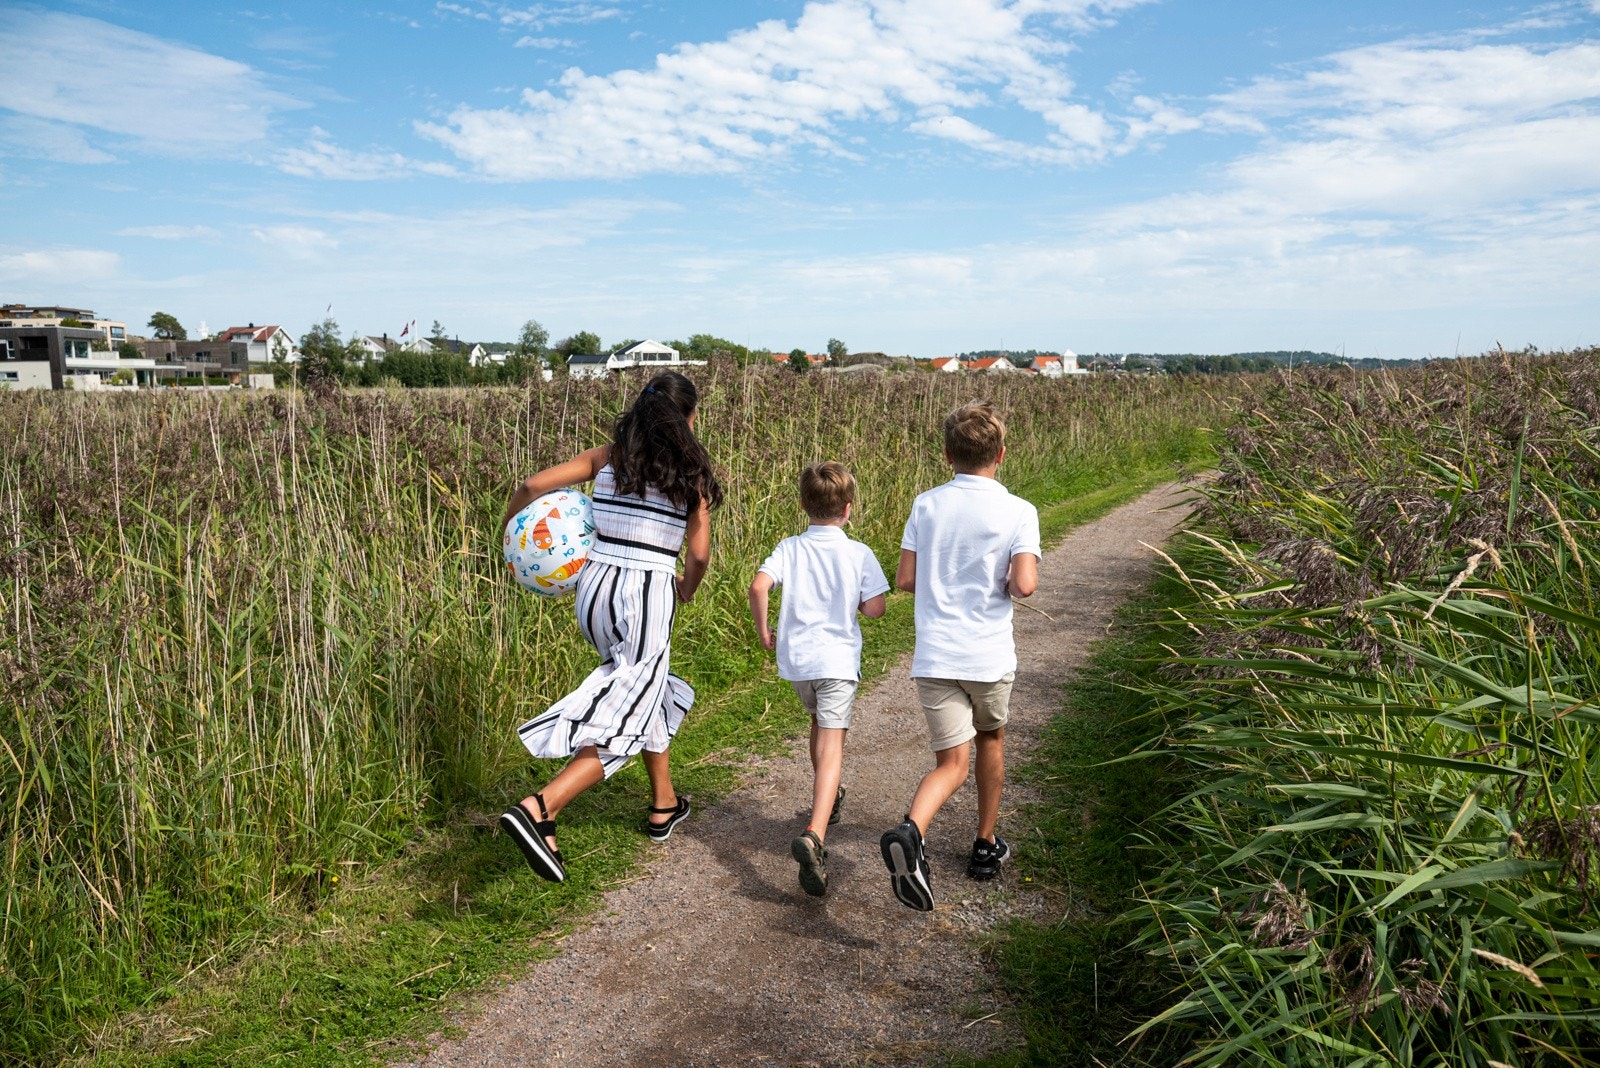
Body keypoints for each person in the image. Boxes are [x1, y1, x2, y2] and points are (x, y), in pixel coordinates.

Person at [498, 371, 722, 883]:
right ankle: (541, 807)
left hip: (594, 589)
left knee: (643, 689)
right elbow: (699, 556)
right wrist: (687, 589)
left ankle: (664, 804)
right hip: (645, 593)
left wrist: (509, 536)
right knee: (625, 710)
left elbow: (532, 486)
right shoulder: (691, 476)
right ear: (688, 420)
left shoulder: (609, 457)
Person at [880, 401, 1040, 911]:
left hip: (935, 655)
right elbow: (1024, 585)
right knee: (990, 738)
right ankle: (985, 846)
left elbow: (906, 578)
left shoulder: (925, 505)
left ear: (948, 455)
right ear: (1002, 454)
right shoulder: (1019, 511)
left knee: (950, 763)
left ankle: (912, 830)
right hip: (987, 656)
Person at [749, 462, 889, 897]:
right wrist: (859, 600)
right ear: (848, 508)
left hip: (799, 662)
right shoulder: (858, 552)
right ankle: (815, 834)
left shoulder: (789, 547)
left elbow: (758, 587)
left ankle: (831, 798)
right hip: (837, 661)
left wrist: (764, 631)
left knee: (817, 723)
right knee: (833, 746)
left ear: (804, 504)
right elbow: (875, 609)